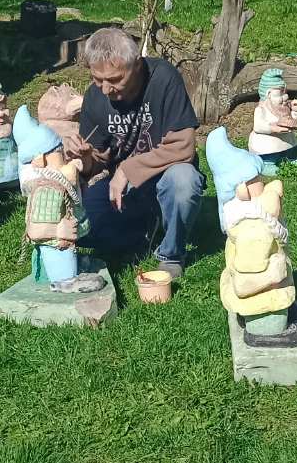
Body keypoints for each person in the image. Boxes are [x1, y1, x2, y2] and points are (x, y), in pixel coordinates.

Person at [63, 28, 205, 277]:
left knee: (185, 181)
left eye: (115, 79)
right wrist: (84, 157)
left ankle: (171, 254)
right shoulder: (95, 96)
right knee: (82, 229)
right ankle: (147, 231)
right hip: (123, 188)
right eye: (98, 79)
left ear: (137, 65)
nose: (106, 89)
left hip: (166, 177)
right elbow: (97, 161)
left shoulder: (163, 78)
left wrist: (128, 169)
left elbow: (183, 146)